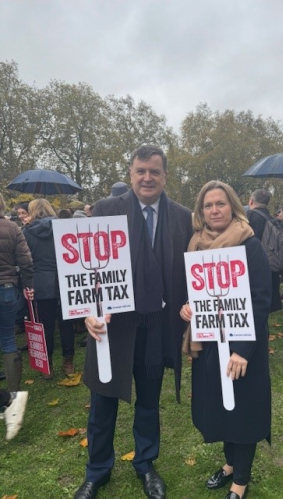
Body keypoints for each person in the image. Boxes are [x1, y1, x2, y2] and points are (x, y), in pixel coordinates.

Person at [75, 145, 193, 499]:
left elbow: (191, 271)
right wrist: (87, 314)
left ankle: (145, 463)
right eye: (141, 170)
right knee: (102, 403)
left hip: (158, 324)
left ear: (165, 176)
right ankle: (97, 470)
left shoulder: (182, 216)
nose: (147, 177)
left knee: (148, 402)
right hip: (113, 326)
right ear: (130, 173)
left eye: (154, 171)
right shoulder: (106, 210)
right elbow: (87, 272)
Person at [180, 180, 271, 499]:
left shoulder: (249, 244)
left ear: (232, 206)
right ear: (200, 211)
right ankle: (230, 464)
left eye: (220, 203)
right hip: (209, 343)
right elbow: (194, 292)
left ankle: (240, 483)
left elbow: (261, 300)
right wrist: (188, 308)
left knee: (243, 411)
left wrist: (243, 351)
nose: (214, 210)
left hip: (242, 344)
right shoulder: (195, 244)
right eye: (208, 205)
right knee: (221, 408)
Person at [23, 199, 76, 378]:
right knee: (66, 323)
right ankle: (68, 361)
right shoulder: (63, 227)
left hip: (40, 281)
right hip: (65, 280)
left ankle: (48, 364)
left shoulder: (27, 232)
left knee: (46, 325)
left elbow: (25, 261)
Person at [0, 193, 34, 392]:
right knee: (8, 338)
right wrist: (28, 284)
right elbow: (26, 261)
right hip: (7, 288)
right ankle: (13, 392)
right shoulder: (12, 228)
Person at [247, 189, 282, 313]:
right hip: (272, 264)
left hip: (253, 266)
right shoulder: (273, 219)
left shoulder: (249, 217)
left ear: (251, 201)